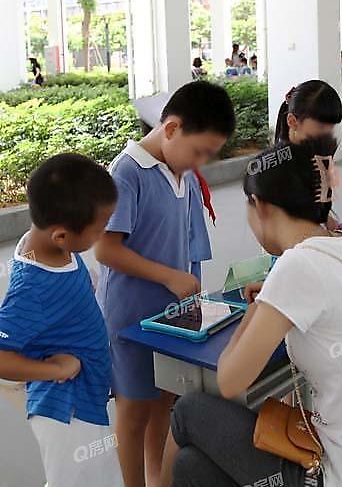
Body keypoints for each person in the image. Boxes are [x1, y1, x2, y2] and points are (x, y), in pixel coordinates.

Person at [159, 137, 342, 487]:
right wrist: (272, 296)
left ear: (260, 205)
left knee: (188, 410)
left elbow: (230, 381)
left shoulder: (297, 265)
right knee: (191, 466)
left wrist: (257, 309)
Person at [94, 81, 236, 487]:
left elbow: (184, 240)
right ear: (171, 129)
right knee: (134, 409)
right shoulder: (127, 172)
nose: (201, 162)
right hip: (129, 317)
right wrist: (169, 276)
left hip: (170, 315)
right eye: (200, 151)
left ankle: (157, 479)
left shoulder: (181, 172)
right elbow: (105, 249)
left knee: (163, 400)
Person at [0, 154, 121, 487]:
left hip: (86, 402)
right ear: (62, 236)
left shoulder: (54, 248)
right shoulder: (33, 288)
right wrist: (54, 369)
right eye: (99, 227)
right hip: (66, 412)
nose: (104, 232)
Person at [273, 79, 342, 239]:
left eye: (330, 128)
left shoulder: (313, 157)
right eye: (320, 128)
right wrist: (338, 236)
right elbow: (293, 232)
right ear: (292, 122)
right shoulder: (279, 168)